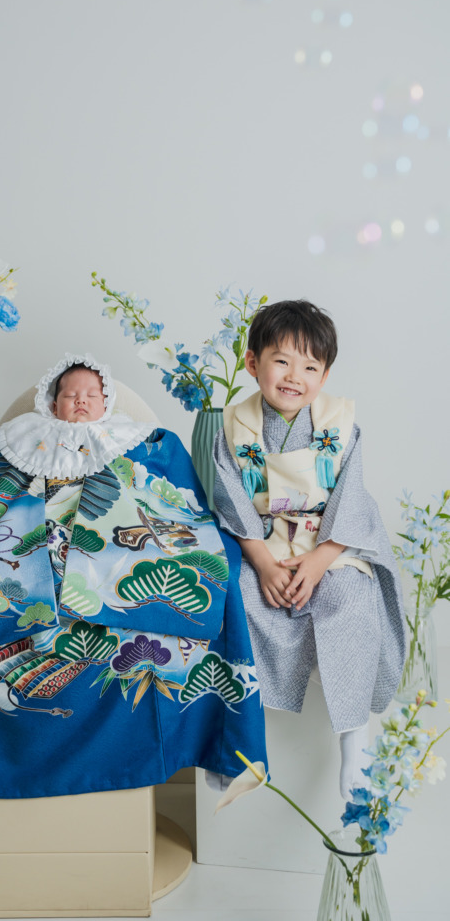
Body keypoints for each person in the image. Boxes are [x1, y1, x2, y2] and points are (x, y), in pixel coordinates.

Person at [0, 353, 267, 798]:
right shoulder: (12, 442)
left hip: (115, 550)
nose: (81, 401)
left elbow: (174, 497)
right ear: (52, 402)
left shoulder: (139, 440)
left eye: (91, 395)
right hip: (22, 547)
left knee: (216, 570)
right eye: (70, 394)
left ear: (108, 403)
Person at [212, 301, 405, 798]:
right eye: (281, 361)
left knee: (351, 601)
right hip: (265, 542)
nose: (294, 377)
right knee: (237, 600)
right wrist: (262, 562)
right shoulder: (233, 425)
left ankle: (354, 740)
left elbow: (352, 496)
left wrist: (320, 561)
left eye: (310, 367)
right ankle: (235, 744)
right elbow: (230, 497)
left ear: (325, 375)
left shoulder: (341, 422)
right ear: (252, 362)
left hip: (331, 541)